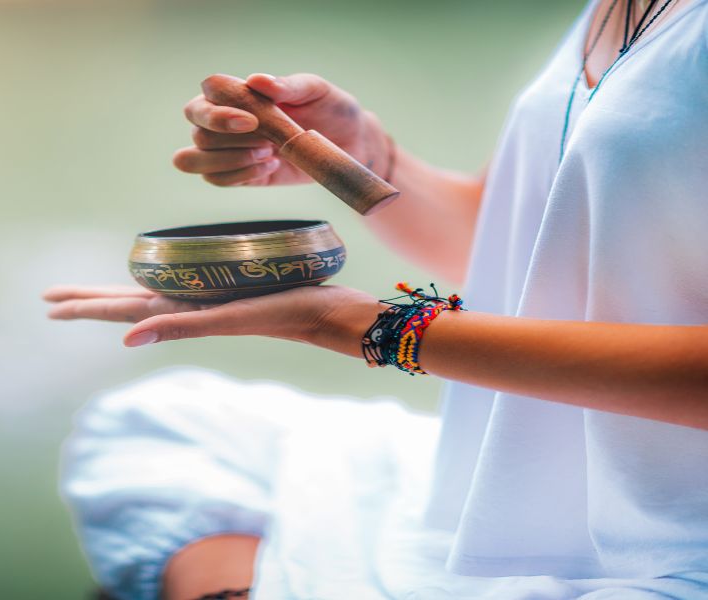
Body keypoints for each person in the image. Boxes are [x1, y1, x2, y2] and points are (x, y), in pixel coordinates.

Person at [45, 0, 708, 598]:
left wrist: (359, 326)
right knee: (162, 422)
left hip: (671, 547)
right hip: (516, 496)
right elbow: (526, 244)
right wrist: (365, 156)